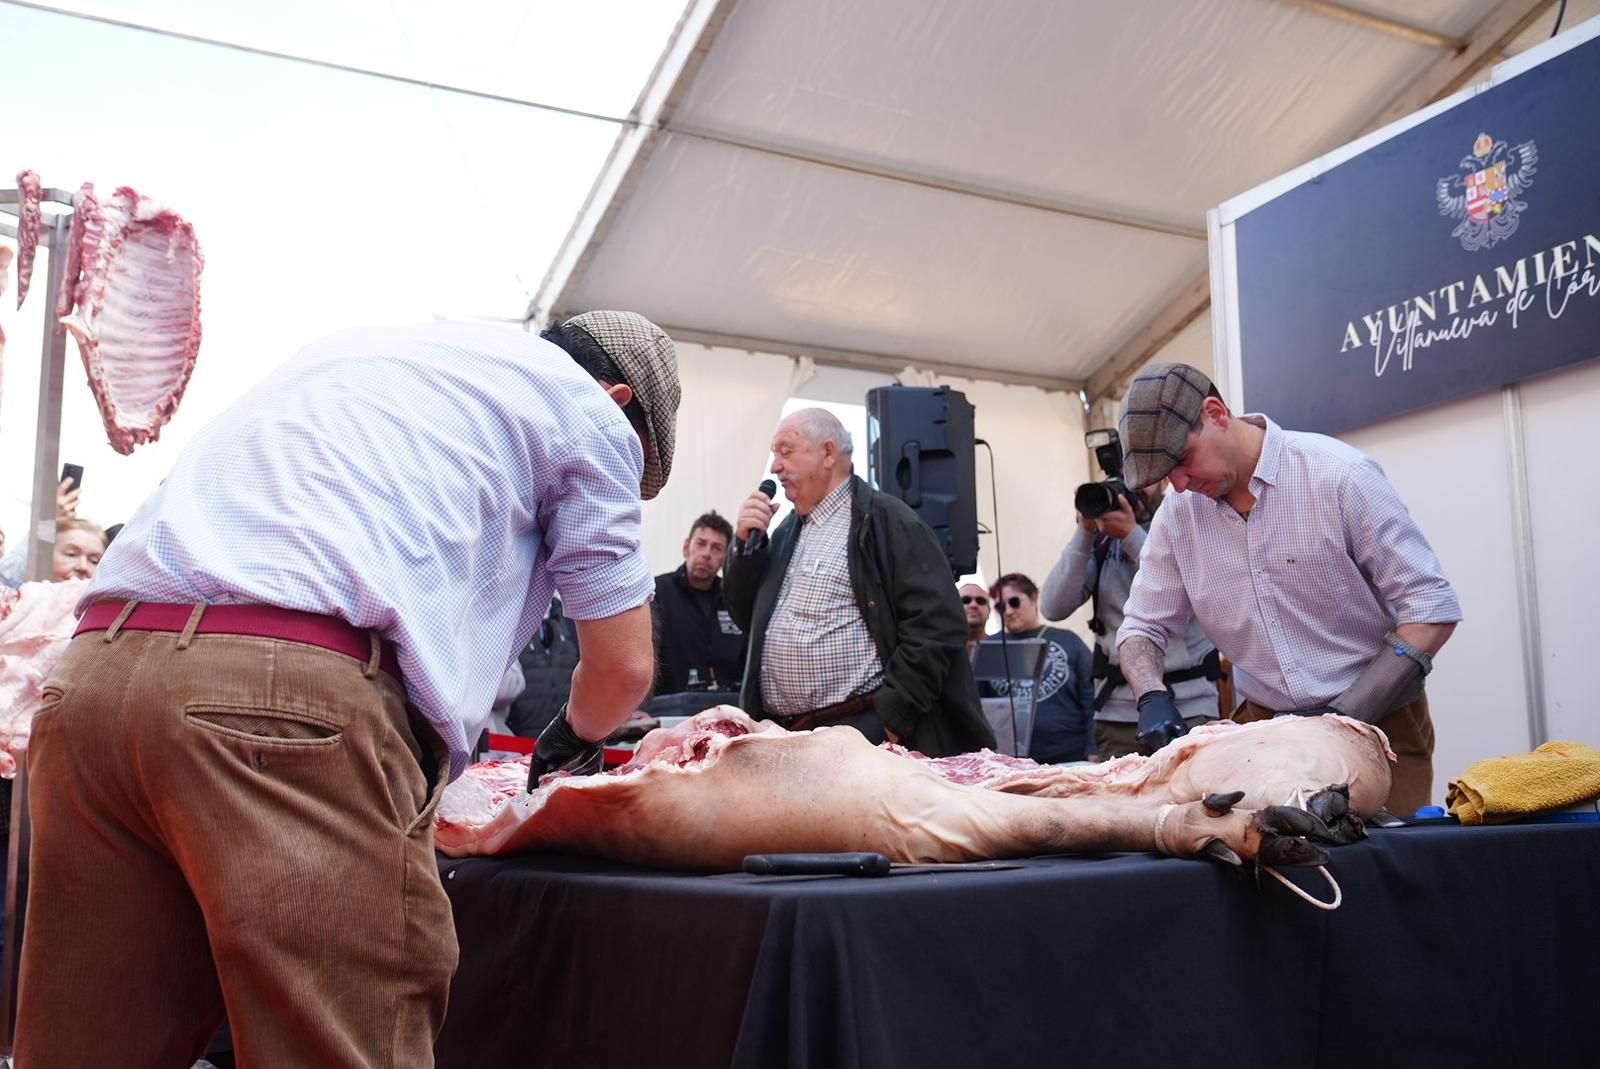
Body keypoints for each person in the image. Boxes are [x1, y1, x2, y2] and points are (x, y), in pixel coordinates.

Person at [17, 312, 681, 1068]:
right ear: (618, 396)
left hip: (95, 677)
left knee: (90, 1047)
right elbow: (623, 668)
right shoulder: (586, 409)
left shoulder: (382, 349)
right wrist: (579, 733)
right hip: (281, 696)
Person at [1114, 363, 1460, 814]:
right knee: (1269, 875)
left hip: (1379, 717)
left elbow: (1430, 608)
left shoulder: (1339, 475)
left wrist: (1345, 716)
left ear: (1215, 413)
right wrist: (1152, 696)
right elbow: (1142, 625)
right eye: (1164, 475)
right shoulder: (1178, 514)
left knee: (1381, 872)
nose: (1177, 484)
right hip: (1262, 727)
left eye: (1180, 460)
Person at [726, 408, 994, 757]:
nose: (775, 466)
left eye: (786, 451)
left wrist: (891, 717)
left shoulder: (888, 520)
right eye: (774, 455)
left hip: (861, 734)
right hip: (785, 733)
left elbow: (937, 626)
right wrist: (747, 551)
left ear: (827, 453)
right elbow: (746, 618)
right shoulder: (785, 531)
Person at [1040, 476, 1220, 760]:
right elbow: (1053, 607)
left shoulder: (1190, 525)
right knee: (1125, 802)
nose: (1129, 493)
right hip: (1115, 712)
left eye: (1140, 483)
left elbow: (1201, 596)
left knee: (1190, 799)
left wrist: (1131, 536)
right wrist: (1085, 531)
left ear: (1164, 481)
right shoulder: (1101, 542)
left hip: (1189, 706)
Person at [979, 573, 1095, 763]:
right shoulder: (990, 647)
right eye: (1001, 607)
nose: (1008, 611)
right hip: (1009, 760)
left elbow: (1091, 698)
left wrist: (1093, 747)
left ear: (1034, 598)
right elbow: (979, 705)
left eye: (1014, 602)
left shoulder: (1068, 640)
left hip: (1069, 753)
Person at [652, 511, 745, 693]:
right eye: (701, 544)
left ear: (725, 558)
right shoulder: (656, 593)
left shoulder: (735, 600)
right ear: (687, 547)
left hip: (725, 710)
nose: (706, 554)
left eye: (716, 548)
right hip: (667, 710)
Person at [958, 581, 989, 656]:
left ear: (989, 610)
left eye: (980, 601)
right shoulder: (937, 648)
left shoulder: (1004, 648)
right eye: (965, 600)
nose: (973, 605)